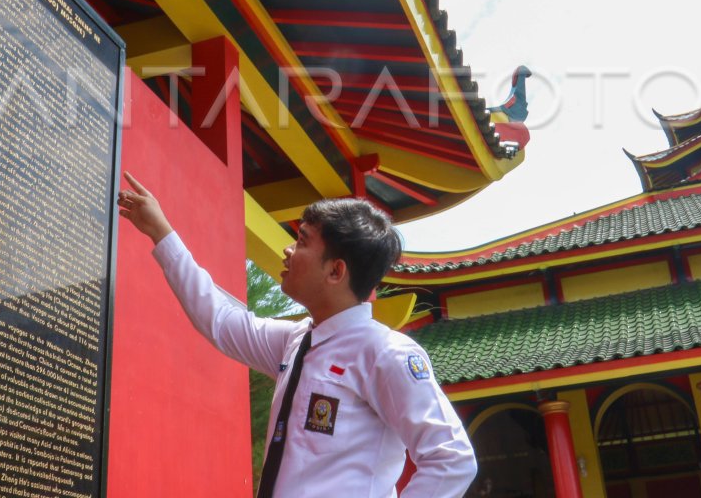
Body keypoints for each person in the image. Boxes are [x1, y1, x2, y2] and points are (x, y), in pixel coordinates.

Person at [118, 172, 477, 497]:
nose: (288, 250)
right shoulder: (296, 341)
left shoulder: (386, 353)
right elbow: (221, 320)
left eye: (302, 241)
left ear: (336, 271)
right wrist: (161, 233)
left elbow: (452, 459)